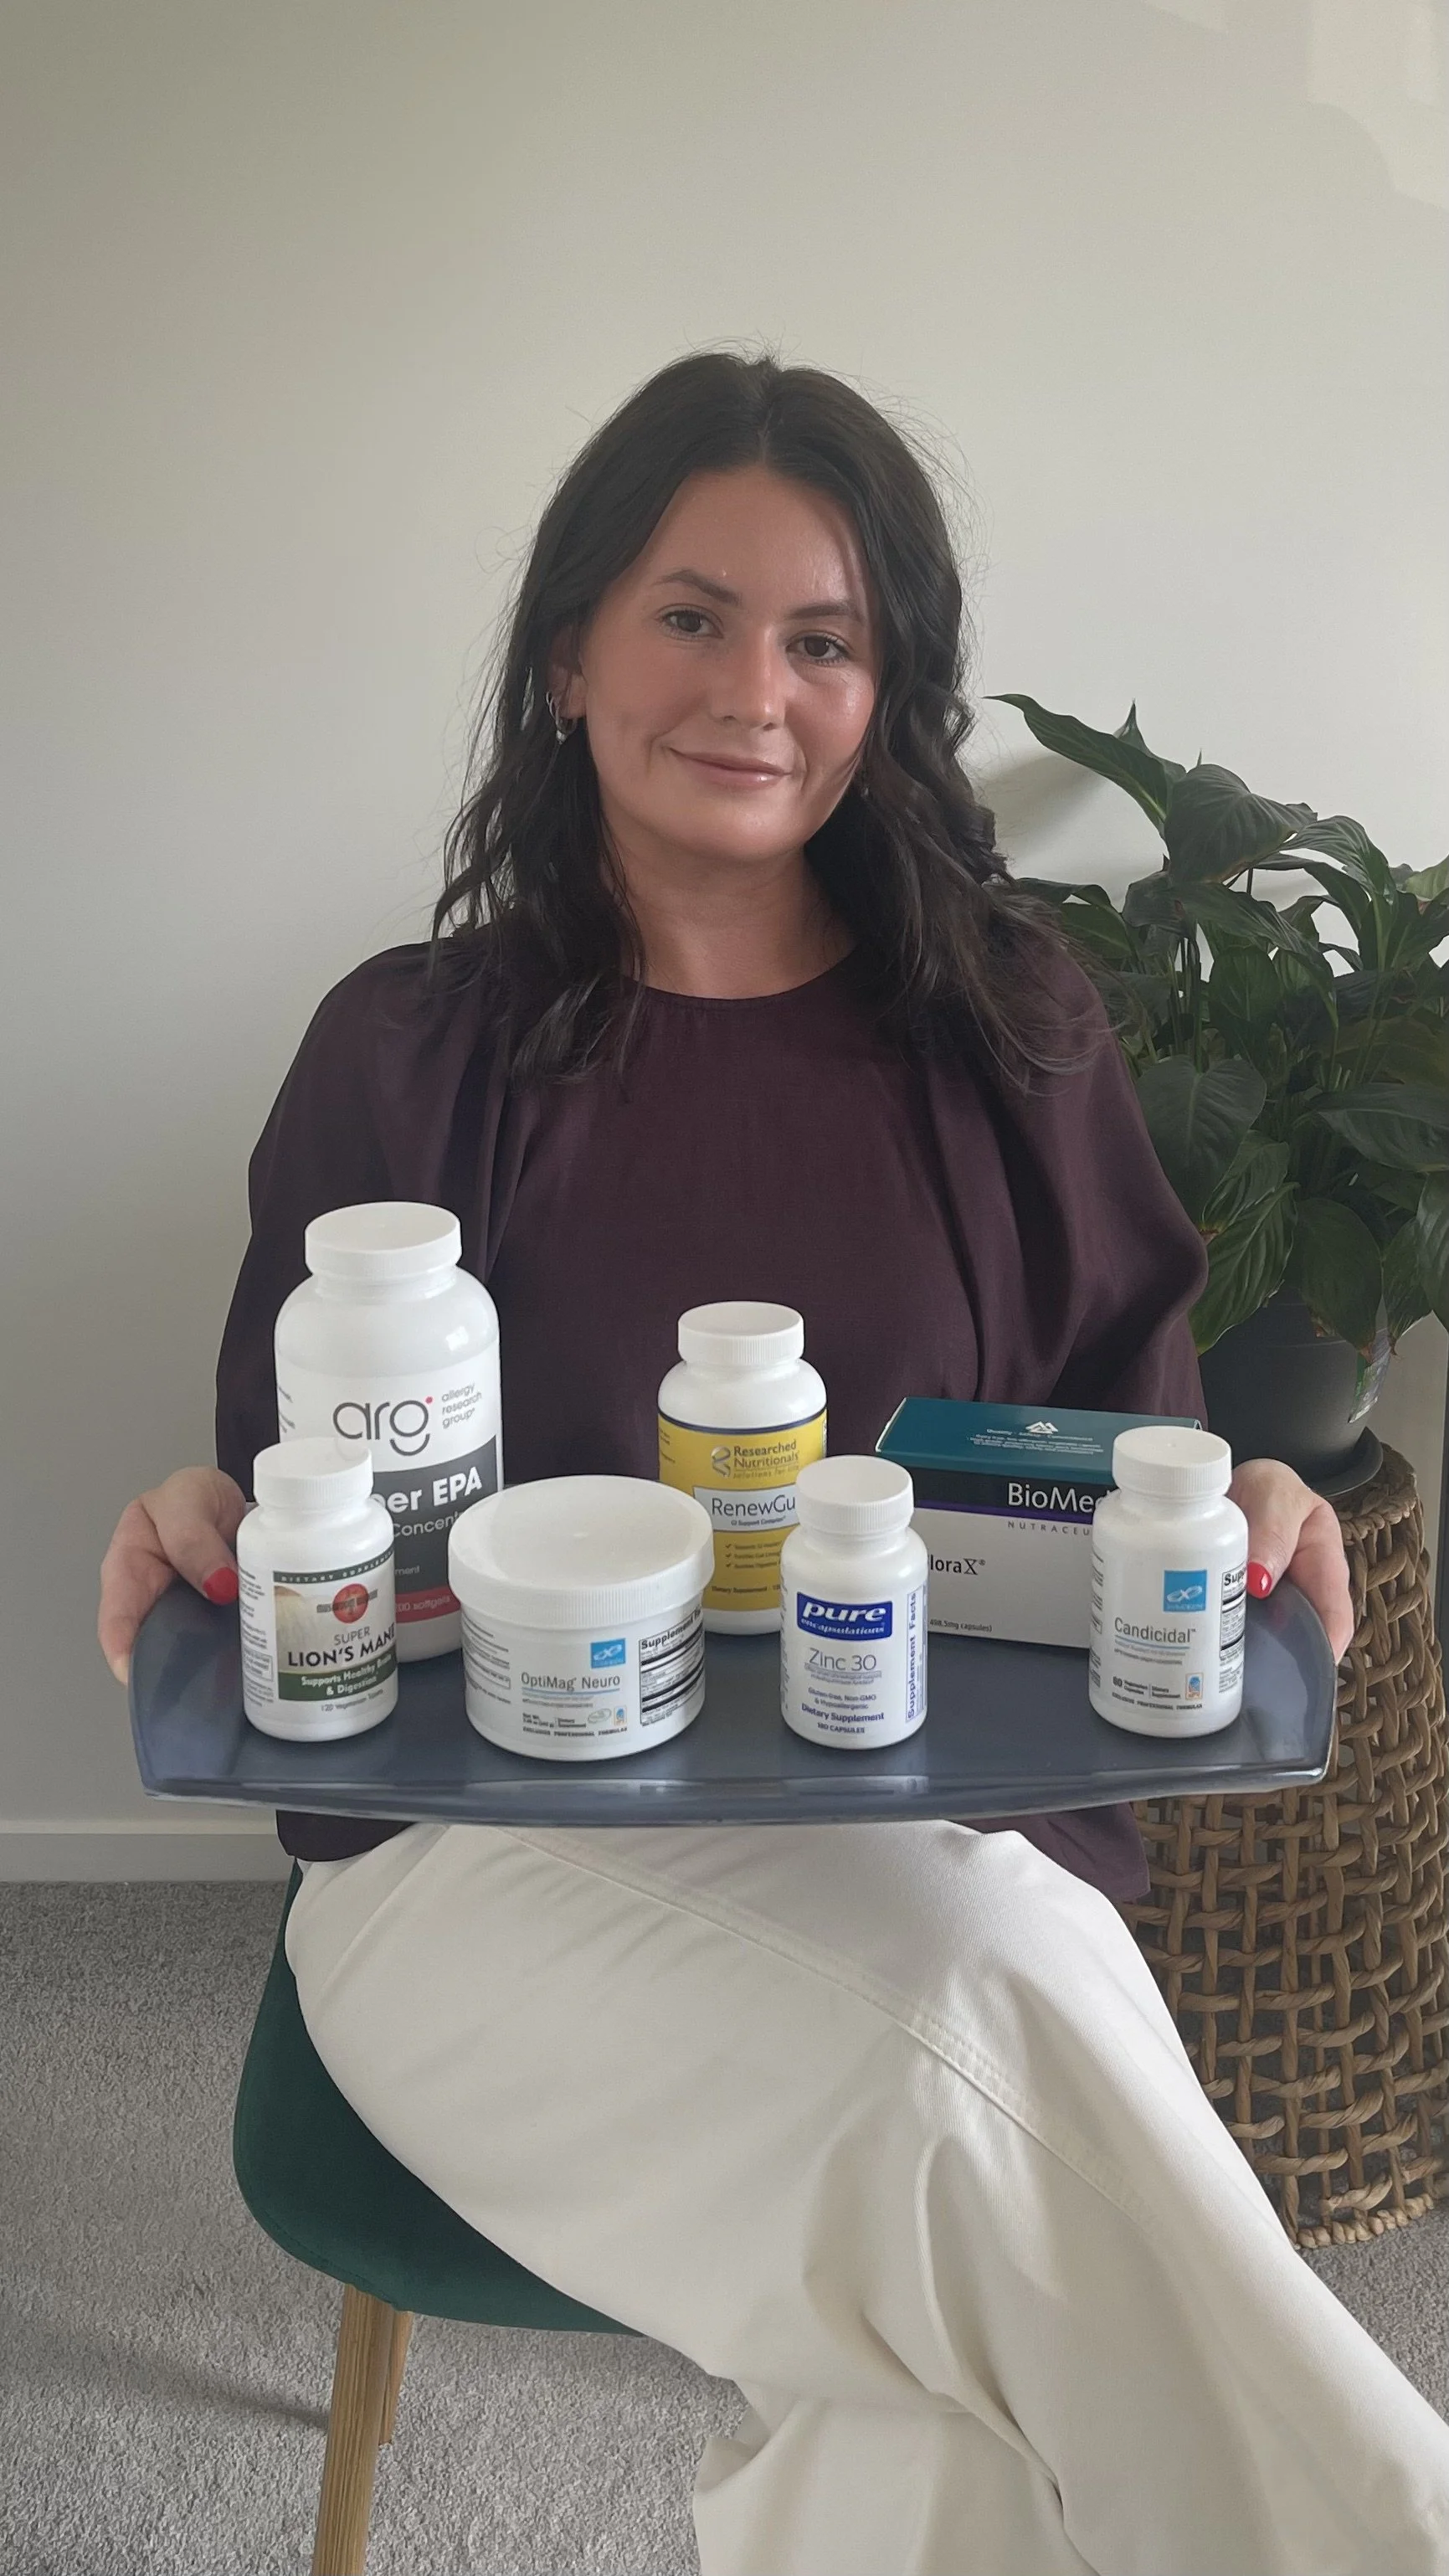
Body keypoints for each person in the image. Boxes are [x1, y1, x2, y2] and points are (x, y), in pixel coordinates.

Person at [98, 350, 1449, 2576]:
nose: (755, 687)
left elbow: (1125, 1454)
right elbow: (296, 1522)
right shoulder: (407, 1051)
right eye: (690, 616)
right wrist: (219, 1524)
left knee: (937, 2348)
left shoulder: (1016, 1030)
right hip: (479, 1879)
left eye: (823, 638)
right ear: (566, 659)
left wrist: (1236, 1505)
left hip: (931, 1828)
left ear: (886, 691)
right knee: (977, 2036)